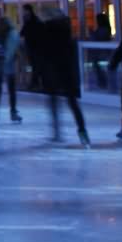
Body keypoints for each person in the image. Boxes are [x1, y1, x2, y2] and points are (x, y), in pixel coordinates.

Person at [40, 9, 90, 147]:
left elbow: (44, 52)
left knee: (54, 101)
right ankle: (82, 131)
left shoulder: (48, 32)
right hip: (67, 71)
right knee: (72, 103)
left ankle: (57, 131)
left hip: (54, 70)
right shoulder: (67, 33)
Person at [0, 13, 23, 123]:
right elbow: (12, 49)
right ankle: (13, 112)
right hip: (8, 65)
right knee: (11, 90)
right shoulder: (12, 34)